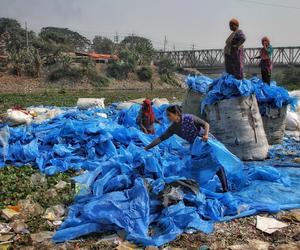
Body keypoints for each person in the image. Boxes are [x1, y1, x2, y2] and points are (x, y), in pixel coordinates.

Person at [145, 105, 229, 192]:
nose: (168, 117)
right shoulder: (173, 128)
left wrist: (206, 134)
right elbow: (161, 138)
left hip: (206, 143)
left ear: (176, 114)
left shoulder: (189, 118)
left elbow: (206, 124)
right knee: (198, 165)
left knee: (215, 164)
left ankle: (225, 188)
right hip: (196, 147)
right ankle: (198, 186)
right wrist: (147, 148)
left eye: (169, 115)